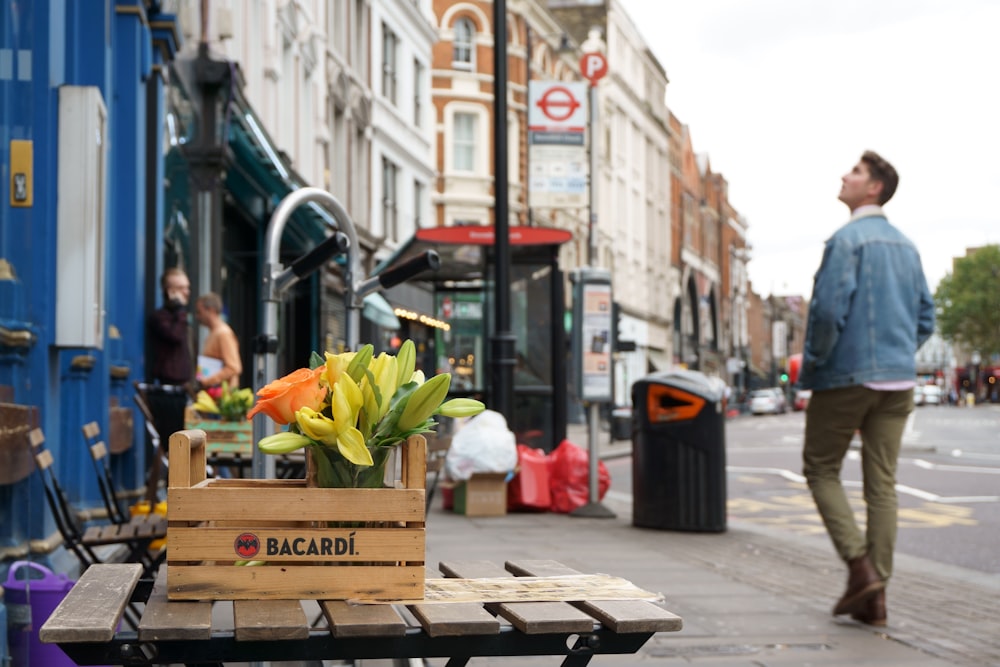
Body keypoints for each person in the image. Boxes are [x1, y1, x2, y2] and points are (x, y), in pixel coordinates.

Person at [799, 151, 935, 627]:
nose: (844, 175)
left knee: (819, 468)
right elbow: (926, 317)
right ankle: (876, 597)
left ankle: (860, 569)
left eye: (855, 172)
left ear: (874, 187)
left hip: (846, 375)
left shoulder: (846, 240)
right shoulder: (907, 245)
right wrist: (899, 351)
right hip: (898, 381)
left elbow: (826, 315)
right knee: (883, 484)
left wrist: (814, 364)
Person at [146, 267, 193, 441]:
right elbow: (175, 336)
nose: (187, 292)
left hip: (182, 389)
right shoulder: (160, 317)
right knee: (175, 441)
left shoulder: (178, 318)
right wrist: (180, 310)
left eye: (187, 287)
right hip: (167, 393)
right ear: (170, 291)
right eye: (181, 288)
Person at [193, 292, 243, 395]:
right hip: (214, 397)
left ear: (211, 310)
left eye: (199, 312)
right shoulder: (213, 333)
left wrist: (207, 381)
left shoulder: (223, 333)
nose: (197, 316)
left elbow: (234, 367)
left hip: (224, 399)